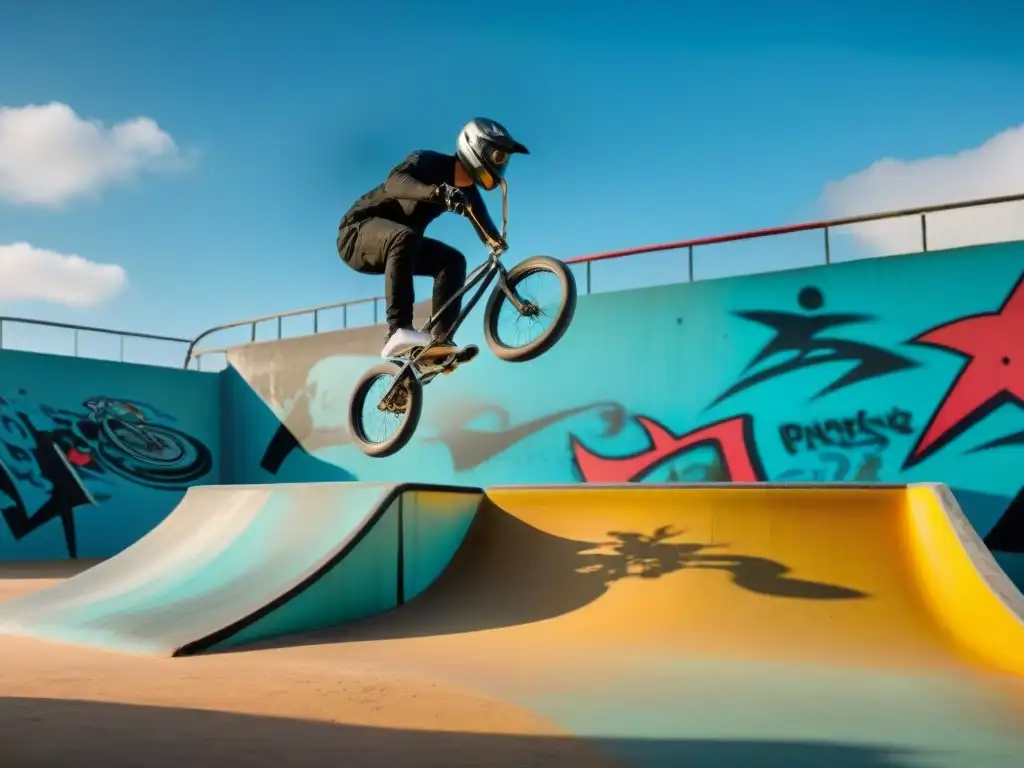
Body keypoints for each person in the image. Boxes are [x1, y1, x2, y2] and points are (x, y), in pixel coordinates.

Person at [336, 118, 529, 359]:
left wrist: (496, 241)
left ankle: (439, 341)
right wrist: (436, 193)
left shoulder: (467, 194)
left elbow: (484, 225)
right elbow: (395, 182)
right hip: (355, 234)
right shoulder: (428, 162)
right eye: (498, 155)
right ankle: (398, 329)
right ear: (476, 147)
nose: (501, 163)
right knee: (404, 236)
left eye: (504, 159)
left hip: (401, 247)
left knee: (453, 261)